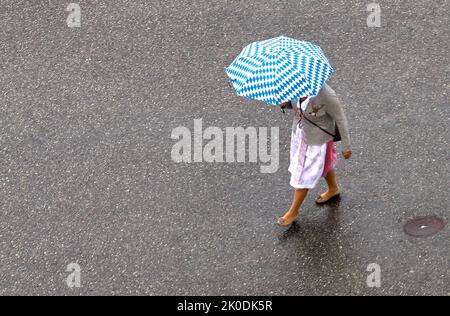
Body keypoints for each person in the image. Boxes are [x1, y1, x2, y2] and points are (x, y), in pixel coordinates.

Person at [277, 83, 352, 227]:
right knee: (325, 163)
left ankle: (293, 211)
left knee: (303, 175)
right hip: (301, 135)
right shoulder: (295, 86)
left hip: (316, 142)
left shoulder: (326, 95)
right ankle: (333, 188)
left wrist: (346, 147)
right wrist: (286, 105)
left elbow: (341, 119)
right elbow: (298, 108)